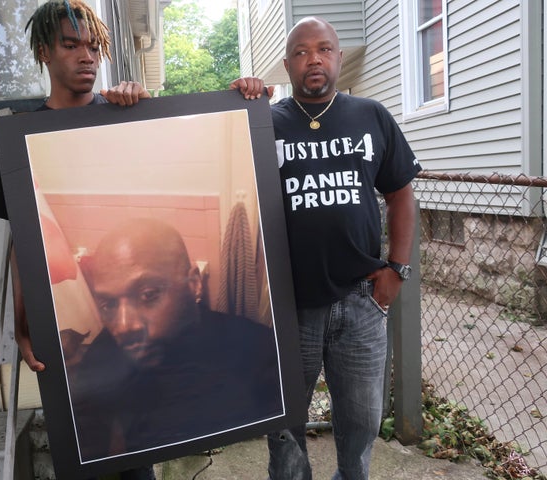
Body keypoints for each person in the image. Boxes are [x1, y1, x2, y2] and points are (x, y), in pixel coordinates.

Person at [230, 16, 421, 480]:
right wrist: (237, 105)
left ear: (338, 56)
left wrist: (397, 267)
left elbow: (400, 193)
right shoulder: (262, 124)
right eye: (300, 51)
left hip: (360, 302)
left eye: (323, 49)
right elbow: (227, 185)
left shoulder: (371, 115)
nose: (313, 58)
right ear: (286, 64)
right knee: (285, 425)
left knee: (361, 422)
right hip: (288, 305)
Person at [0, 1, 152, 479]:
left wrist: (146, 108)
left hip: (126, 318)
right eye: (70, 45)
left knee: (138, 453)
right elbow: (24, 240)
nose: (86, 57)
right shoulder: (20, 144)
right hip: (69, 326)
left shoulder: (127, 118)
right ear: (44, 51)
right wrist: (23, 323)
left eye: (93, 47)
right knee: (85, 447)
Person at [66, 218, 282, 460]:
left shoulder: (259, 352)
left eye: (148, 295)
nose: (124, 326)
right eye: (109, 304)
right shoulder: (99, 361)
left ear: (194, 284)